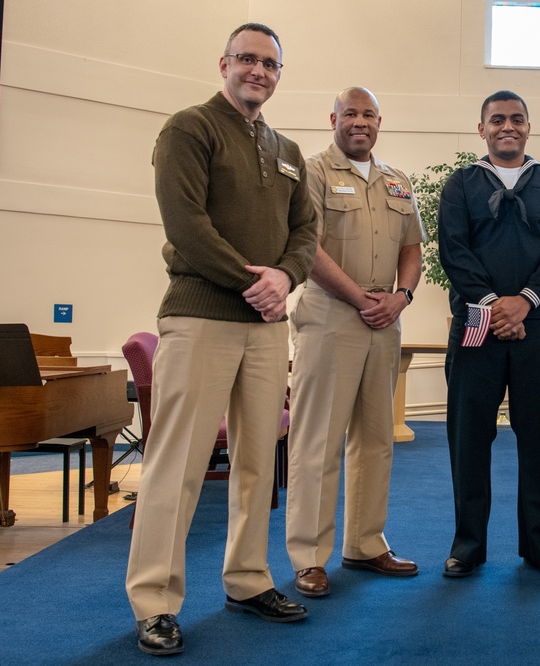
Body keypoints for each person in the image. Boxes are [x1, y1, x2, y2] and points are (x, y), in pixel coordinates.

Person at [126, 23, 317, 656]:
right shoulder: (190, 128)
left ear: (278, 75)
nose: (258, 71)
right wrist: (251, 281)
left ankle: (247, 579)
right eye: (247, 59)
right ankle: (155, 601)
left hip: (265, 329)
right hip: (201, 316)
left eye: (270, 63)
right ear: (224, 64)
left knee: (259, 463)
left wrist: (286, 277)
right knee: (175, 467)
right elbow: (185, 223)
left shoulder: (287, 148)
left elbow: (306, 231)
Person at [286, 87, 424, 597]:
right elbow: (307, 247)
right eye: (350, 113)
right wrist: (360, 297)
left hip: (385, 320)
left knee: (376, 438)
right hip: (330, 319)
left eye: (368, 114)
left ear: (379, 121)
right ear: (334, 119)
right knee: (317, 441)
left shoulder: (397, 181)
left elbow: (411, 247)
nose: (359, 122)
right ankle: (309, 556)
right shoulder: (313, 171)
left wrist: (401, 297)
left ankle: (365, 544)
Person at [438, 90, 540, 580]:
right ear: (482, 129)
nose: (507, 127)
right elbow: (453, 251)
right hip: (476, 327)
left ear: (528, 127)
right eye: (496, 119)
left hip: (537, 328)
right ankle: (467, 546)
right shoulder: (459, 186)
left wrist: (525, 300)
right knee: (469, 439)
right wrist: (493, 305)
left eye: (517, 119)